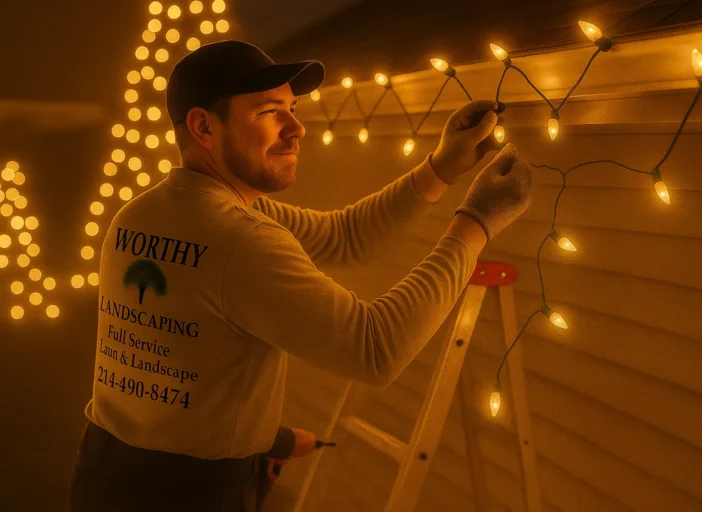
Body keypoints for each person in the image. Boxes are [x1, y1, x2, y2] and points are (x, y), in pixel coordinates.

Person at [66, 40, 532, 511]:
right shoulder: (240, 239)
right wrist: (475, 222)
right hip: (191, 494)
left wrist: (442, 167)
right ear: (203, 126)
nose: (297, 128)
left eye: (293, 108)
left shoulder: (140, 215)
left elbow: (344, 236)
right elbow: (376, 348)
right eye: (270, 112)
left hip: (105, 471)